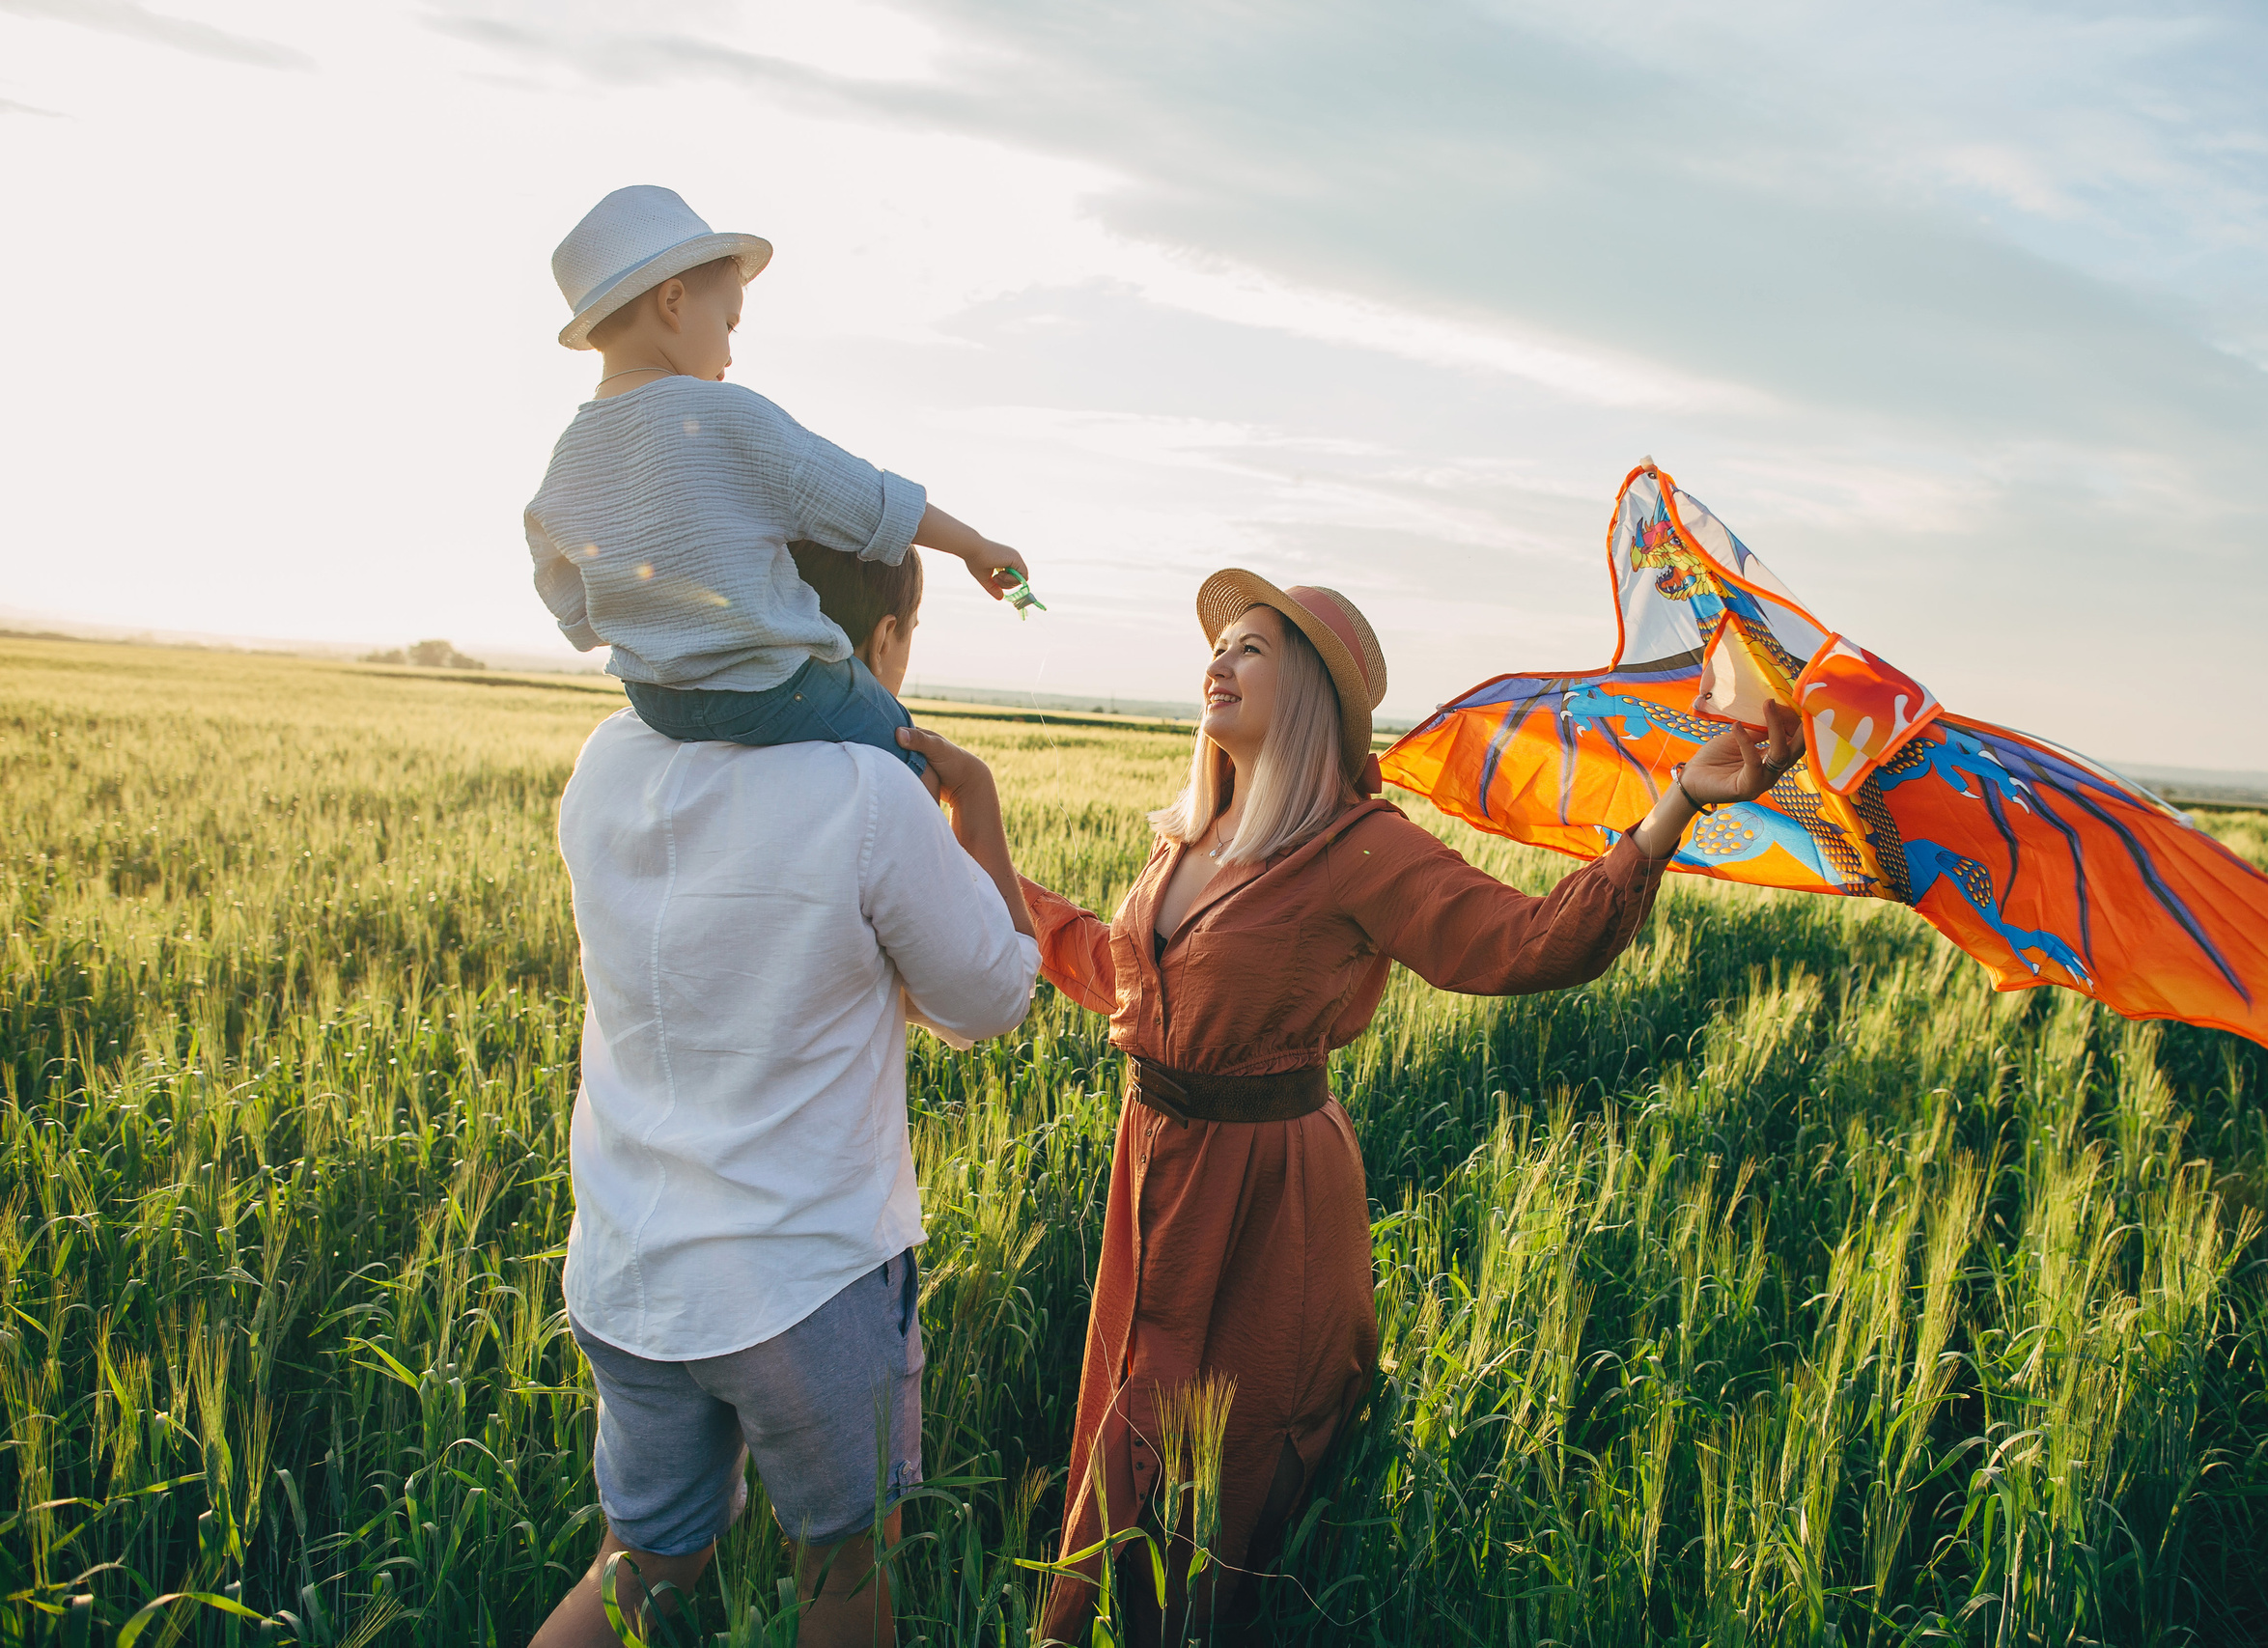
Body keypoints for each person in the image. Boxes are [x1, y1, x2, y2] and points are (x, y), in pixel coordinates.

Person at [984, 570, 1805, 1642]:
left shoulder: (1357, 847)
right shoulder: (1183, 843)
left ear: (1315, 694)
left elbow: (1526, 946)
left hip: (1266, 1192)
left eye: (1251, 649)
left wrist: (1676, 804)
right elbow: (1109, 968)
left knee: (1235, 1462)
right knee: (1132, 1398)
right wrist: (975, 837)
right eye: (1217, 645)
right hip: (1154, 1173)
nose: (1218, 663)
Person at [533, 545, 1040, 1648]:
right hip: (810, 1279)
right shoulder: (866, 791)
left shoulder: (611, 755)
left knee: (644, 1561)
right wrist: (978, 808)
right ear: (886, 641)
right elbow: (992, 999)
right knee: (844, 1576)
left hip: (628, 1267)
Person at [524, 183, 1031, 780]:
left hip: (653, 698)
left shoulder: (569, 452)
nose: (731, 354)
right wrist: (973, 545)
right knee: (913, 762)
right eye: (730, 324)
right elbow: (861, 497)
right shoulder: (725, 414)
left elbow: (562, 581)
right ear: (672, 301)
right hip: (768, 688)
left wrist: (618, 626)